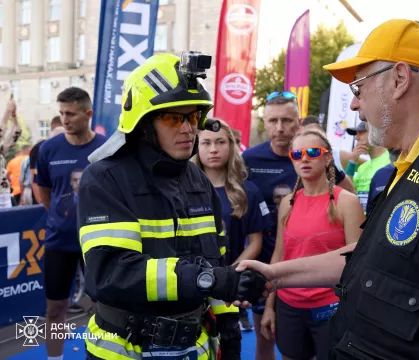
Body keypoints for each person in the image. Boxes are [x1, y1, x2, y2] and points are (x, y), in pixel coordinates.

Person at [237, 19, 419, 359]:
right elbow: (369, 257)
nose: (354, 105)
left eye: (358, 88)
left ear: (399, 78)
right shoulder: (416, 160)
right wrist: (275, 274)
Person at [77, 52, 265, 360]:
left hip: (197, 346)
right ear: (143, 122)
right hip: (125, 351)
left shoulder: (198, 180)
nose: (189, 129)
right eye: (173, 118)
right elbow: (112, 274)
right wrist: (208, 279)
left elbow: (216, 258)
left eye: (192, 117)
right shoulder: (104, 178)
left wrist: (228, 320)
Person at [242, 91, 353, 360]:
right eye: (273, 121)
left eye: (286, 120)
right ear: (264, 122)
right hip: (269, 264)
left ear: (298, 122)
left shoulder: (317, 156)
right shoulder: (251, 160)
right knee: (265, 340)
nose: (279, 128)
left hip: (324, 282)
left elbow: (346, 196)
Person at [262, 129, 363, 360]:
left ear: (328, 157)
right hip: (289, 304)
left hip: (331, 307)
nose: (304, 158)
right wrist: (270, 307)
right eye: (297, 154)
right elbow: (279, 255)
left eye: (313, 152)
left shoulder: (347, 202)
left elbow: (357, 264)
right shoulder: (288, 202)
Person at [34, 87, 106, 360]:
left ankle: (102, 354)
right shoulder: (48, 149)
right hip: (59, 242)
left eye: (71, 113)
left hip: (98, 241)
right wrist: (62, 217)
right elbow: (44, 191)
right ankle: (55, 358)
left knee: (104, 306)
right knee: (55, 308)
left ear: (88, 114)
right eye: (61, 113)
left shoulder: (105, 147)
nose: (65, 119)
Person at [195, 119, 270, 334]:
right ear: (196, 147)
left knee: (229, 345)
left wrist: (228, 276)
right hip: (191, 286)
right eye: (206, 143)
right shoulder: (181, 190)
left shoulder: (248, 191)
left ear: (231, 146)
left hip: (230, 289)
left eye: (220, 142)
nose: (214, 149)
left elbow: (256, 242)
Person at [344, 122, 390, 211]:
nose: (356, 138)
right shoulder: (362, 168)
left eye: (361, 133)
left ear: (374, 132)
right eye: (356, 134)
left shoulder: (390, 161)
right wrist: (352, 162)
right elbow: (348, 191)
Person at [28, 115, 64, 204]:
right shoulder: (40, 148)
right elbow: (35, 179)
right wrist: (42, 204)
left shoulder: (67, 147)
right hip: (46, 203)